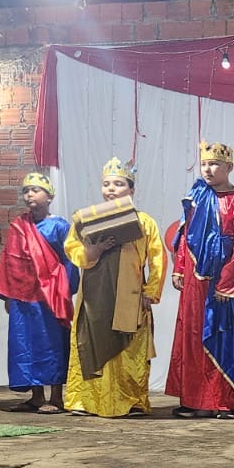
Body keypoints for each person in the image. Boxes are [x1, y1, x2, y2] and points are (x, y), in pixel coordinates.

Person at [166, 141, 234, 418]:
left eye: (214, 164)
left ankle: (226, 401)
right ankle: (195, 400)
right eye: (204, 164)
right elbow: (185, 235)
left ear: (229, 167)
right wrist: (179, 268)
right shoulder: (198, 195)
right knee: (193, 335)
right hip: (195, 279)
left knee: (222, 335)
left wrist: (228, 283)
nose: (208, 169)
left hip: (224, 279)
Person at [61, 157, 165, 418]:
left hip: (130, 297)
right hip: (94, 300)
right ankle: (85, 401)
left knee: (128, 349)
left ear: (131, 189)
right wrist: (92, 251)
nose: (111, 189)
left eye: (118, 184)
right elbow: (72, 248)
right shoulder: (88, 220)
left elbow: (157, 258)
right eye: (107, 184)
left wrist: (151, 291)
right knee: (90, 343)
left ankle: (129, 401)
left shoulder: (144, 222)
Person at [0, 172, 76, 415]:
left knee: (52, 344)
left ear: (49, 196)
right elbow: (9, 261)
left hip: (50, 295)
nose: (29, 195)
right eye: (26, 191)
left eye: (35, 190)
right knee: (26, 343)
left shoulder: (59, 226)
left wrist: (66, 291)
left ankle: (57, 398)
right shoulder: (19, 226)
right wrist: (8, 295)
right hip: (22, 296)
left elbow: (70, 260)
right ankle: (36, 396)